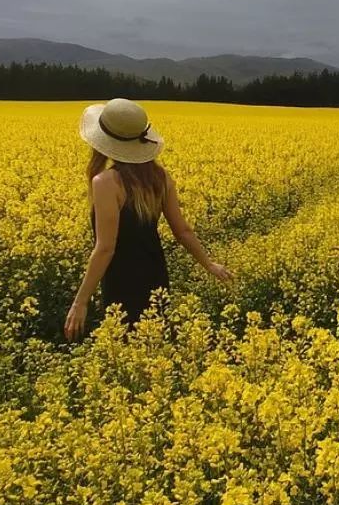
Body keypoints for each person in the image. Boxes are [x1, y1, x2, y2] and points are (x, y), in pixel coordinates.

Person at [64, 98, 234, 341]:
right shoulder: (160, 178)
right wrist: (208, 264)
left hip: (121, 278)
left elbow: (105, 248)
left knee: (125, 344)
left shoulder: (105, 183)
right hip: (155, 273)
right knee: (154, 344)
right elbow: (183, 230)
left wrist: (80, 302)